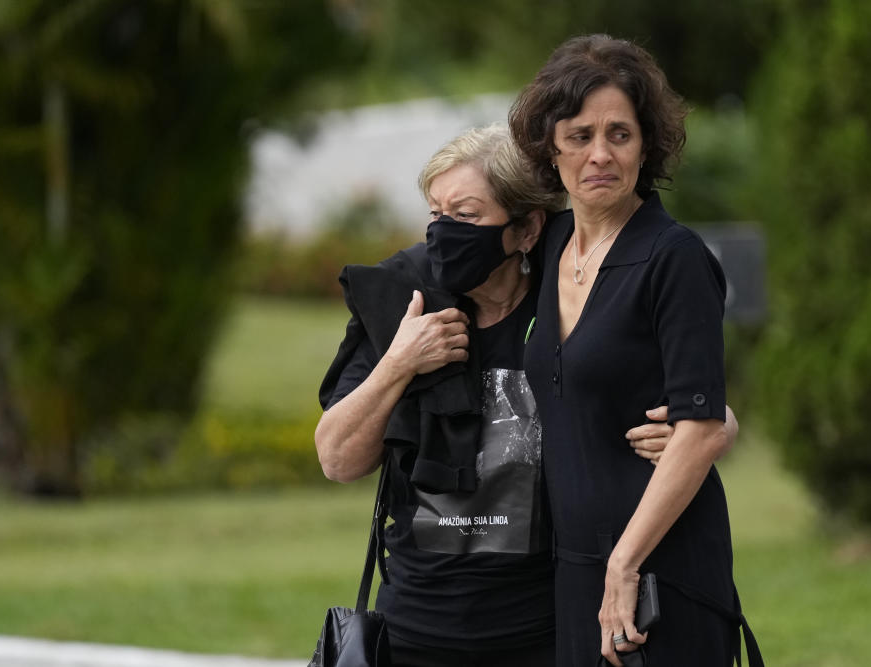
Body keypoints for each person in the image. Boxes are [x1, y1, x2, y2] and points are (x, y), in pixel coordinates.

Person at [314, 124, 740, 667]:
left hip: (545, 627)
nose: (444, 233)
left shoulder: (576, 298)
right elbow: (337, 459)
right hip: (417, 627)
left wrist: (718, 425)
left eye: (466, 216)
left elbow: (684, 400)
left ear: (526, 229)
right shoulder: (405, 300)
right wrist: (400, 362)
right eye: (436, 215)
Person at [510, 34, 758, 666]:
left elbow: (699, 427)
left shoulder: (675, 260)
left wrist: (624, 564)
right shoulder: (546, 246)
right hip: (574, 571)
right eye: (579, 134)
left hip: (660, 572)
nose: (600, 154)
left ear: (646, 145)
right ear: (550, 145)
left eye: (619, 134)